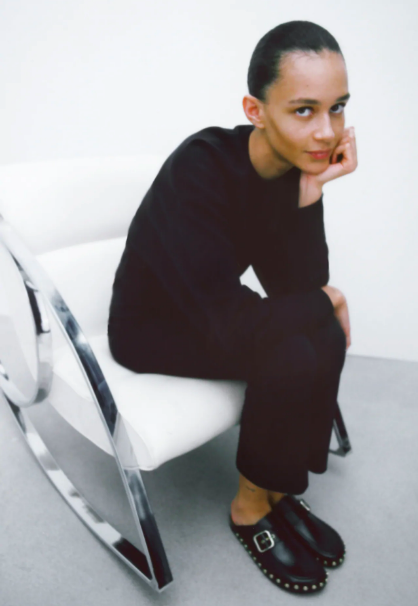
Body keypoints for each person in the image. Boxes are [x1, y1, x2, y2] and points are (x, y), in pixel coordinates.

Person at [107, 19, 357, 595]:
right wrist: (327, 300)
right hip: (151, 329)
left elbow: (298, 287)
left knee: (320, 331)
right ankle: (249, 509)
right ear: (255, 110)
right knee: (292, 348)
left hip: (214, 314)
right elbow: (237, 319)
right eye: (303, 110)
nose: (326, 131)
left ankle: (279, 491)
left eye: (337, 108)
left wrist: (311, 193)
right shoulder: (201, 167)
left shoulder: (289, 171)